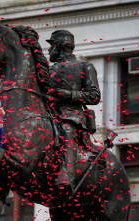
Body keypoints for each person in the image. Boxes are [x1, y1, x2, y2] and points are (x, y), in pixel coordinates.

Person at [46, 30, 101, 192]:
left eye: (51, 46)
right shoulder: (47, 71)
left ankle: (66, 173)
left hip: (71, 115)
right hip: (48, 114)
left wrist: (69, 94)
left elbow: (94, 96)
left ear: (59, 46)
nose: (48, 51)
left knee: (66, 129)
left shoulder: (85, 66)